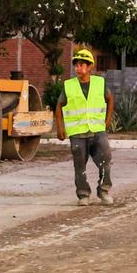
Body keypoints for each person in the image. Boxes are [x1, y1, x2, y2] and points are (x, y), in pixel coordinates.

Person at [54, 48, 115, 205]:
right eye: (76, 65)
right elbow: (59, 106)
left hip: (97, 130)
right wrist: (60, 128)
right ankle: (83, 195)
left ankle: (104, 191)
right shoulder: (69, 85)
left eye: (81, 65)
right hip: (78, 133)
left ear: (90, 67)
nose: (77, 68)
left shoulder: (99, 83)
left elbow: (110, 99)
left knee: (105, 160)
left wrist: (107, 120)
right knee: (79, 166)